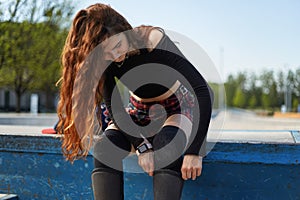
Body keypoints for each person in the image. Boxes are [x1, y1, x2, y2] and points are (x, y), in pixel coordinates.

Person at [56, 3, 213, 200]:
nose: (115, 56)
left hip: (177, 107)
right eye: (107, 52)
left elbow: (202, 90)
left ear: (125, 30)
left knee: (166, 147)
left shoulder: (152, 40)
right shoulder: (105, 59)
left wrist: (194, 151)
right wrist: (141, 146)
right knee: (105, 149)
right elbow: (115, 107)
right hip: (139, 110)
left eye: (117, 46)